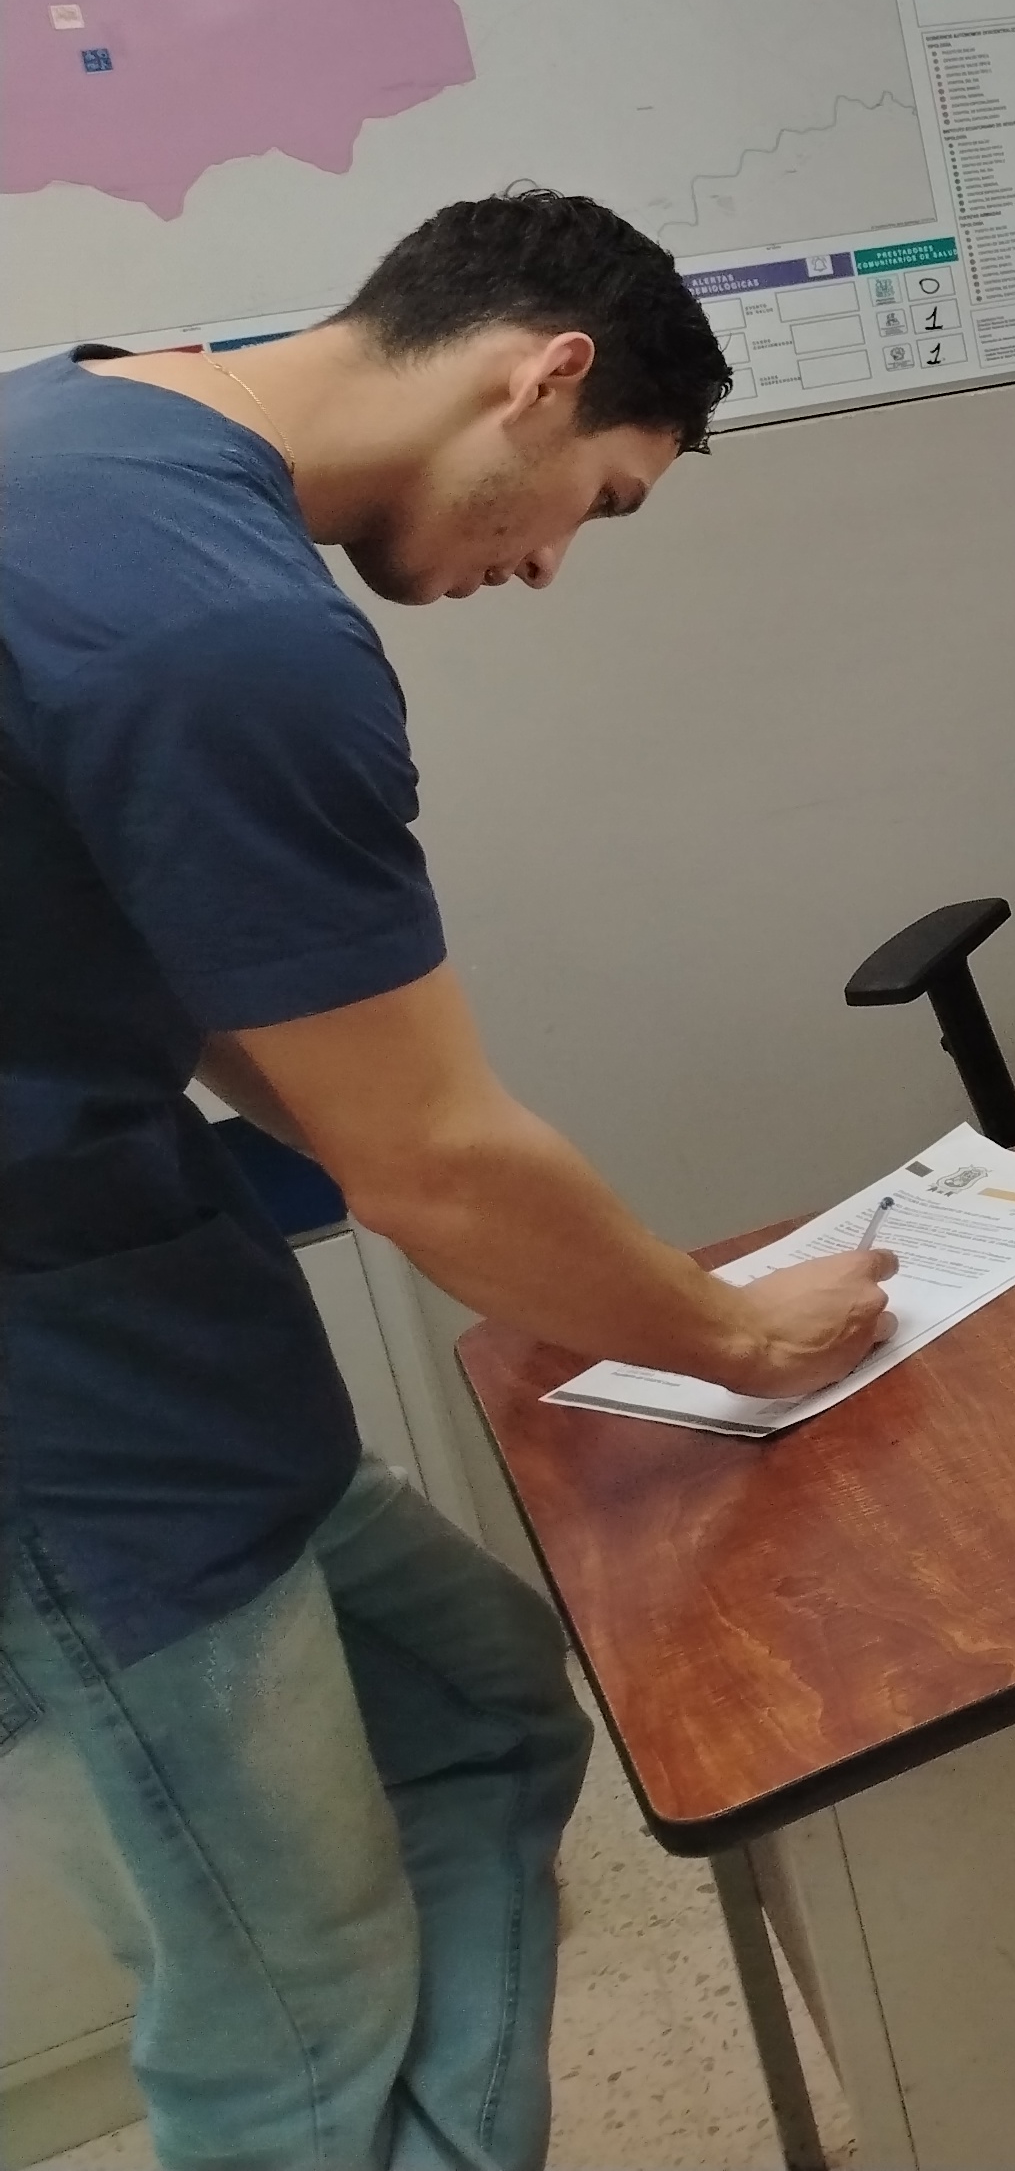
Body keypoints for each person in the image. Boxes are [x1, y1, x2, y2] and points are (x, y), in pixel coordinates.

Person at [0, 191, 898, 2171]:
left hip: (137, 1308)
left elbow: (257, 1020)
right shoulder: (227, 631)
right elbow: (430, 1163)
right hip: (58, 1418)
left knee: (485, 1705)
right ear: (539, 376)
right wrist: (737, 1333)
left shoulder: (74, 422)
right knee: (289, 2020)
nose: (552, 563)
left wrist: (444, 1169)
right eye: (601, 499)